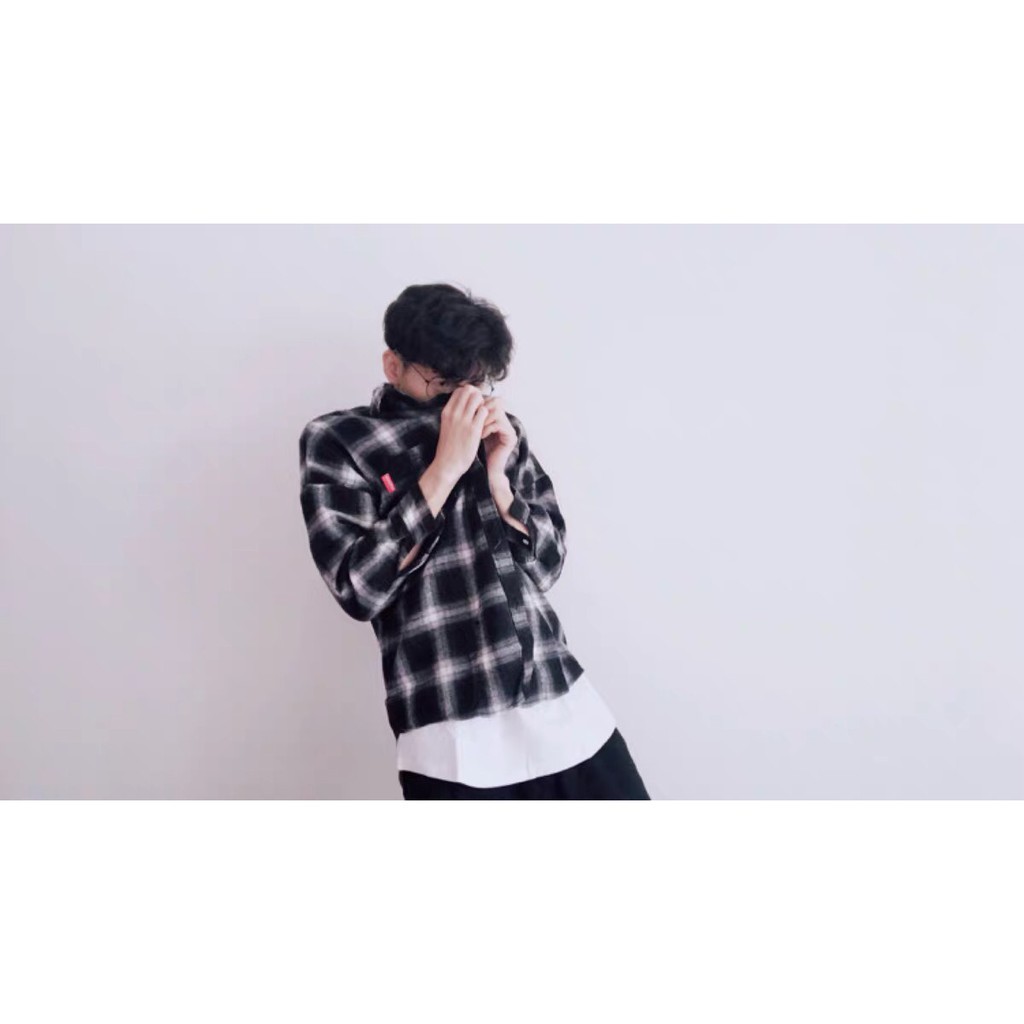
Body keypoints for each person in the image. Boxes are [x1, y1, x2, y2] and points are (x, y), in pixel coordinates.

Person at [299, 282, 650, 799]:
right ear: (393, 365)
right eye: (443, 383)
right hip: (451, 730)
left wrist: (500, 480)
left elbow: (548, 567)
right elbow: (358, 588)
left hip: (559, 703)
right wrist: (443, 468)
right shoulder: (339, 441)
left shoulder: (500, 430)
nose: (461, 400)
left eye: (474, 383)